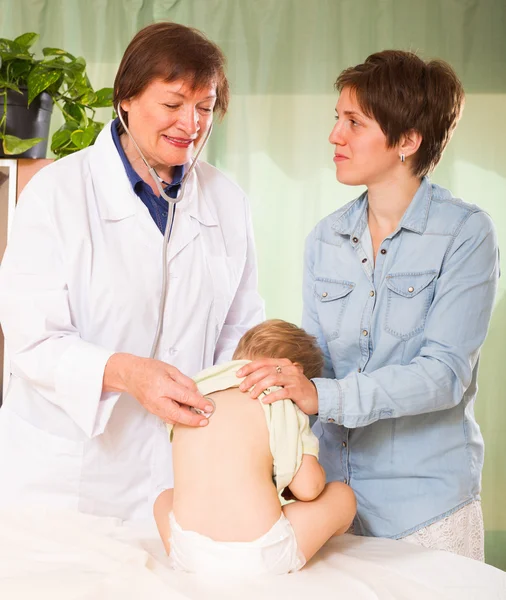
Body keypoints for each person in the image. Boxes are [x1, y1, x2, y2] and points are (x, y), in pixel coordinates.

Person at [237, 51, 499, 561]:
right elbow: (322, 368)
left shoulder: (465, 233)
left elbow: (444, 373)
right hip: (333, 506)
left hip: (424, 509)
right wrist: (279, 381)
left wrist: (322, 395)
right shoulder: (325, 238)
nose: (335, 135)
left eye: (353, 122)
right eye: (337, 119)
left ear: (407, 141)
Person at [0, 22, 264, 520]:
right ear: (125, 98)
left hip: (177, 474)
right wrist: (127, 373)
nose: (191, 123)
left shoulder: (228, 202)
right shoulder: (57, 193)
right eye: (172, 104)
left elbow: (239, 328)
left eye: (204, 108)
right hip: (65, 478)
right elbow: (32, 340)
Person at [153, 319, 356, 575]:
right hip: (258, 554)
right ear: (295, 371)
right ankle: (334, 531)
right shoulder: (280, 399)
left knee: (163, 498)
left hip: (188, 551)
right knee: (341, 495)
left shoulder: (197, 391)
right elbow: (308, 488)